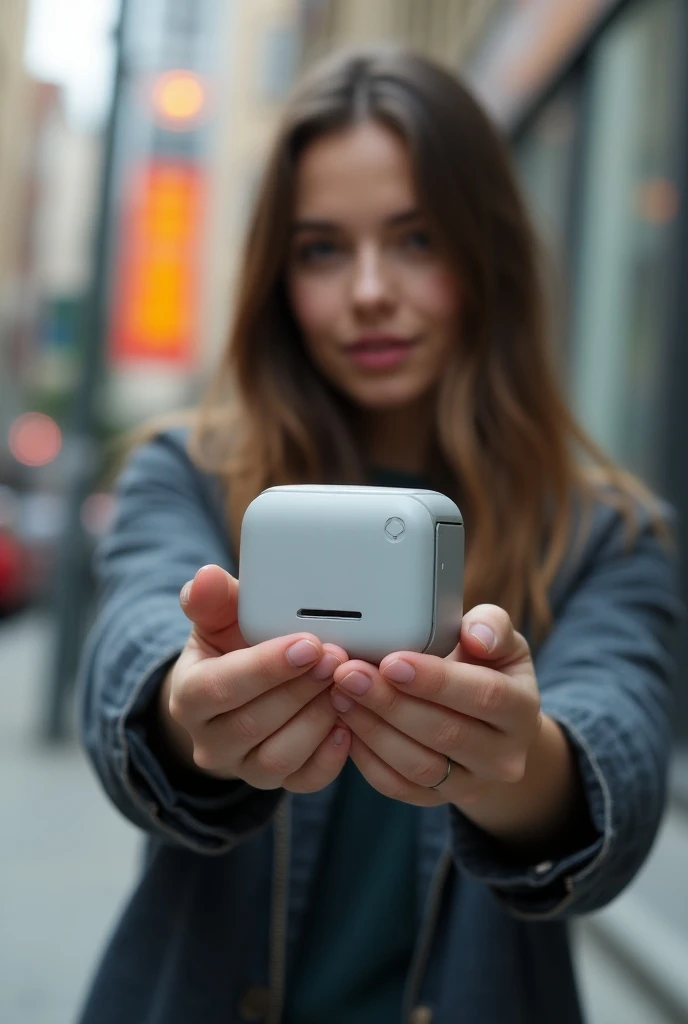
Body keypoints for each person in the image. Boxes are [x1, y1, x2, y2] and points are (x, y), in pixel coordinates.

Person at [77, 46, 681, 1024]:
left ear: (486, 250)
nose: (366, 290)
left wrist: (514, 755)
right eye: (321, 249)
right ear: (278, 275)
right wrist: (187, 707)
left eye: (416, 239)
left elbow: (625, 755)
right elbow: (130, 644)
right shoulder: (186, 470)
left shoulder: (604, 532)